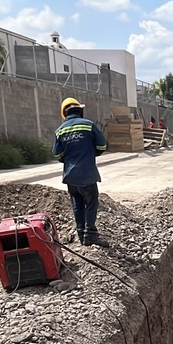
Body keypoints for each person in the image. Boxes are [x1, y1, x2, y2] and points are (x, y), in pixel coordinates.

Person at [53, 97, 109, 247]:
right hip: (87, 174)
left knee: (77, 203)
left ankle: (80, 234)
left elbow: (57, 154)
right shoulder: (88, 125)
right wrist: (90, 154)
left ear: (64, 113)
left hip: (70, 177)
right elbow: (102, 145)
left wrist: (68, 160)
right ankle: (90, 235)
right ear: (80, 111)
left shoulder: (60, 130)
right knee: (91, 203)